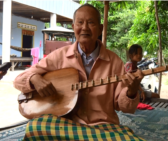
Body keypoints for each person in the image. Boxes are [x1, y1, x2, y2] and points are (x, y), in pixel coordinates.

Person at [13, 4, 145, 141]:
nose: (85, 28)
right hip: (66, 126)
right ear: (73, 26)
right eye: (80, 22)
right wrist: (34, 78)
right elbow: (19, 79)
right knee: (35, 127)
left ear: (100, 29)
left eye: (91, 23)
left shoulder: (115, 62)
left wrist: (132, 90)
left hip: (103, 127)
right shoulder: (59, 56)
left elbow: (124, 107)